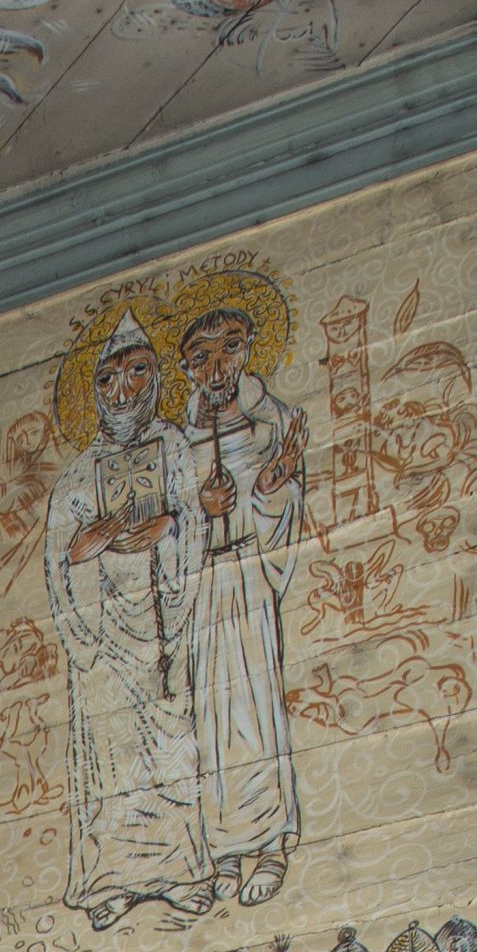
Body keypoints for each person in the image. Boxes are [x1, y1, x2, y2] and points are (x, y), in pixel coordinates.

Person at [43, 319, 210, 928]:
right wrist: (87, 546)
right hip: (104, 635)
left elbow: (190, 517)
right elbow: (59, 557)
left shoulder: (172, 446)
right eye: (109, 378)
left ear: (156, 379)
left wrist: (168, 527)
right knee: (110, 761)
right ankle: (110, 882)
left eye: (138, 372)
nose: (123, 390)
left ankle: (181, 873)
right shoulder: (78, 474)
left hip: (162, 624)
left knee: (171, 747)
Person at [180, 302, 304, 905]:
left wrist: (271, 488)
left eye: (230, 346)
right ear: (187, 370)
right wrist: (200, 512)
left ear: (249, 349)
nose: (217, 366)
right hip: (203, 587)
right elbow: (168, 528)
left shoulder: (269, 422)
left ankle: (271, 846)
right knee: (210, 723)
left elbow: (284, 511)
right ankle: (227, 852)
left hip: (249, 580)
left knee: (256, 715)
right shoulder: (178, 444)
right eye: (201, 356)